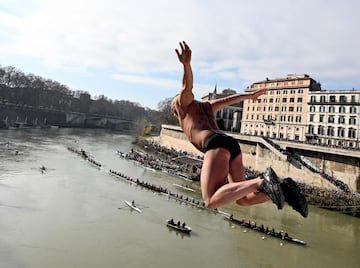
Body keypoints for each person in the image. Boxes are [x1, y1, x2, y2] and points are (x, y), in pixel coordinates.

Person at [171, 41, 287, 211]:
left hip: (215, 145)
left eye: (173, 106)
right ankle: (284, 189)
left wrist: (186, 66)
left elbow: (186, 87)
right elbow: (228, 100)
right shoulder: (207, 106)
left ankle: (262, 181)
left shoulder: (184, 105)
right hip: (231, 145)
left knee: (210, 200)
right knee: (243, 199)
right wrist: (250, 96)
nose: (173, 110)